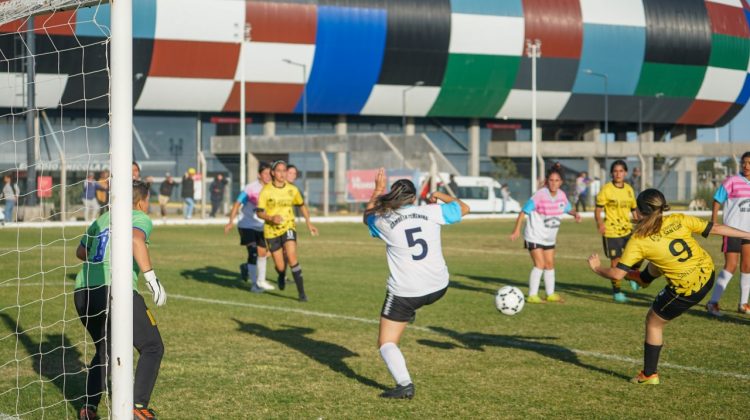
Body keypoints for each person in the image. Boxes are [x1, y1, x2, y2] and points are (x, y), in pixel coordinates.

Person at [587, 188, 750, 385]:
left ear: (638, 212)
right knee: (658, 260)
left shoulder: (639, 240)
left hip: (688, 289)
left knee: (653, 321)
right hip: (708, 272)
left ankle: (649, 375)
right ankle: (644, 278)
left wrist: (596, 268)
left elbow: (616, 274)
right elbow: (715, 228)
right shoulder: (678, 219)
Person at [364, 168, 470, 399]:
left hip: (407, 293)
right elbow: (464, 208)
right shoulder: (432, 211)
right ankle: (410, 311)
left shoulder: (384, 220)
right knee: (415, 296)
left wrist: (378, 189)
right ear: (414, 198)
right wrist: (440, 195)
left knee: (386, 342)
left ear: (394, 197)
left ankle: (404, 385)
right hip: (439, 286)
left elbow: (367, 215)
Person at [74, 180, 166, 420]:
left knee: (105, 348)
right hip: (114, 289)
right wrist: (151, 278)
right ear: (140, 201)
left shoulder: (102, 219)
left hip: (83, 292)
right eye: (148, 200)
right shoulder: (138, 216)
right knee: (153, 346)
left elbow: (81, 252)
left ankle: (89, 408)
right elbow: (135, 241)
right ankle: (136, 407)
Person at [510, 169, 581, 303]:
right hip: (534, 235)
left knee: (549, 265)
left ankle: (550, 294)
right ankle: (532, 295)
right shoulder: (539, 195)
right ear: (547, 181)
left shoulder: (562, 195)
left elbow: (567, 208)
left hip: (549, 237)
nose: (554, 183)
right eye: (551, 180)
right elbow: (523, 212)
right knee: (540, 264)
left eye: (557, 180)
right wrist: (516, 230)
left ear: (561, 182)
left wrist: (575, 214)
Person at [256, 161, 318, 301]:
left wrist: (309, 223)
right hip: (271, 231)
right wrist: (271, 217)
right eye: (279, 171)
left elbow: (302, 206)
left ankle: (302, 294)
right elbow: (259, 213)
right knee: (280, 266)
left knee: (291, 257)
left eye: (284, 170)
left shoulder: (292, 189)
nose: (282, 173)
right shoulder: (266, 191)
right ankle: (281, 275)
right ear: (273, 173)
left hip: (288, 226)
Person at [705, 151, 750, 316]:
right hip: (732, 230)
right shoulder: (732, 181)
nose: (746, 166)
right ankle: (712, 303)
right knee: (731, 265)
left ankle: (743, 304)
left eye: (749, 163)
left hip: (748, 233)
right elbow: (717, 200)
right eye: (744, 162)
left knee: (747, 266)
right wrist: (713, 220)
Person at [224, 163, 276, 292]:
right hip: (246, 225)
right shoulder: (250, 188)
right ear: (259, 175)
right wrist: (230, 221)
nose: (268, 176)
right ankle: (254, 285)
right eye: (265, 174)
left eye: (270, 174)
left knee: (263, 254)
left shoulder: (273, 189)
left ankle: (260, 280)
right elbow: (237, 204)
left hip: (262, 226)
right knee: (253, 253)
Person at [595, 160, 638, 303]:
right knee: (616, 262)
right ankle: (617, 292)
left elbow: (634, 210)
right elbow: (598, 209)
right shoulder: (606, 189)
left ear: (625, 173)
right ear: (611, 173)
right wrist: (600, 223)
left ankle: (631, 275)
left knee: (637, 256)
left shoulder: (629, 190)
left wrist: (641, 223)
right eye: (615, 171)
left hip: (627, 230)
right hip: (611, 232)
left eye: (621, 171)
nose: (618, 174)